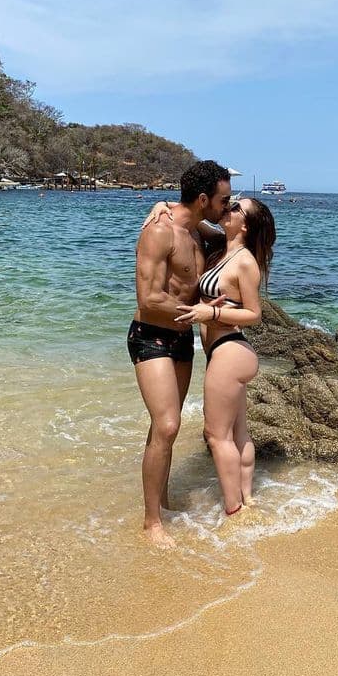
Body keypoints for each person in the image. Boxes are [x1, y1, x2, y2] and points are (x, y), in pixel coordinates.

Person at [129, 160, 231, 548]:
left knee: (162, 429)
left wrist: (163, 201)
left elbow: (236, 228)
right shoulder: (160, 232)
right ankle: (151, 522)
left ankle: (163, 500)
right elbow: (149, 299)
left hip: (181, 340)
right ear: (204, 199)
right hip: (151, 335)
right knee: (168, 424)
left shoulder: (199, 231)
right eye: (223, 200)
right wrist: (201, 313)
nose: (227, 206)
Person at [174, 198, 276, 516]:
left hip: (230, 351)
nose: (227, 208)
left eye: (235, 208)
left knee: (215, 435)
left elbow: (255, 313)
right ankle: (247, 498)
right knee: (238, 433)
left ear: (244, 225)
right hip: (229, 351)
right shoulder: (223, 248)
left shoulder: (244, 261)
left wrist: (211, 311)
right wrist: (162, 207)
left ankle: (234, 510)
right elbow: (189, 219)